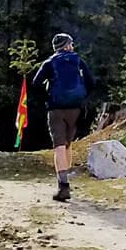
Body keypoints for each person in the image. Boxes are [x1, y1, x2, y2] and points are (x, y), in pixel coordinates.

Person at [32, 33, 95, 202]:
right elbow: (91, 82)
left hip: (56, 108)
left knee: (58, 145)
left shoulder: (50, 62)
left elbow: (36, 84)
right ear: (68, 45)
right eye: (71, 44)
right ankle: (67, 180)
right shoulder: (78, 61)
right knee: (68, 144)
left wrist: (47, 99)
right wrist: (82, 97)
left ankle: (63, 185)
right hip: (75, 108)